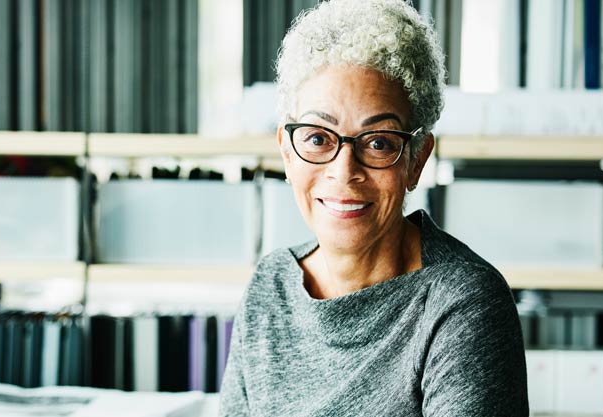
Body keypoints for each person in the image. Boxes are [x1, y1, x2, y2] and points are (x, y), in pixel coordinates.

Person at [219, 0, 528, 415]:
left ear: (416, 159)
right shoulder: (269, 288)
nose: (344, 172)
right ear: (287, 154)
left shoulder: (464, 304)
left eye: (379, 142)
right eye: (317, 138)